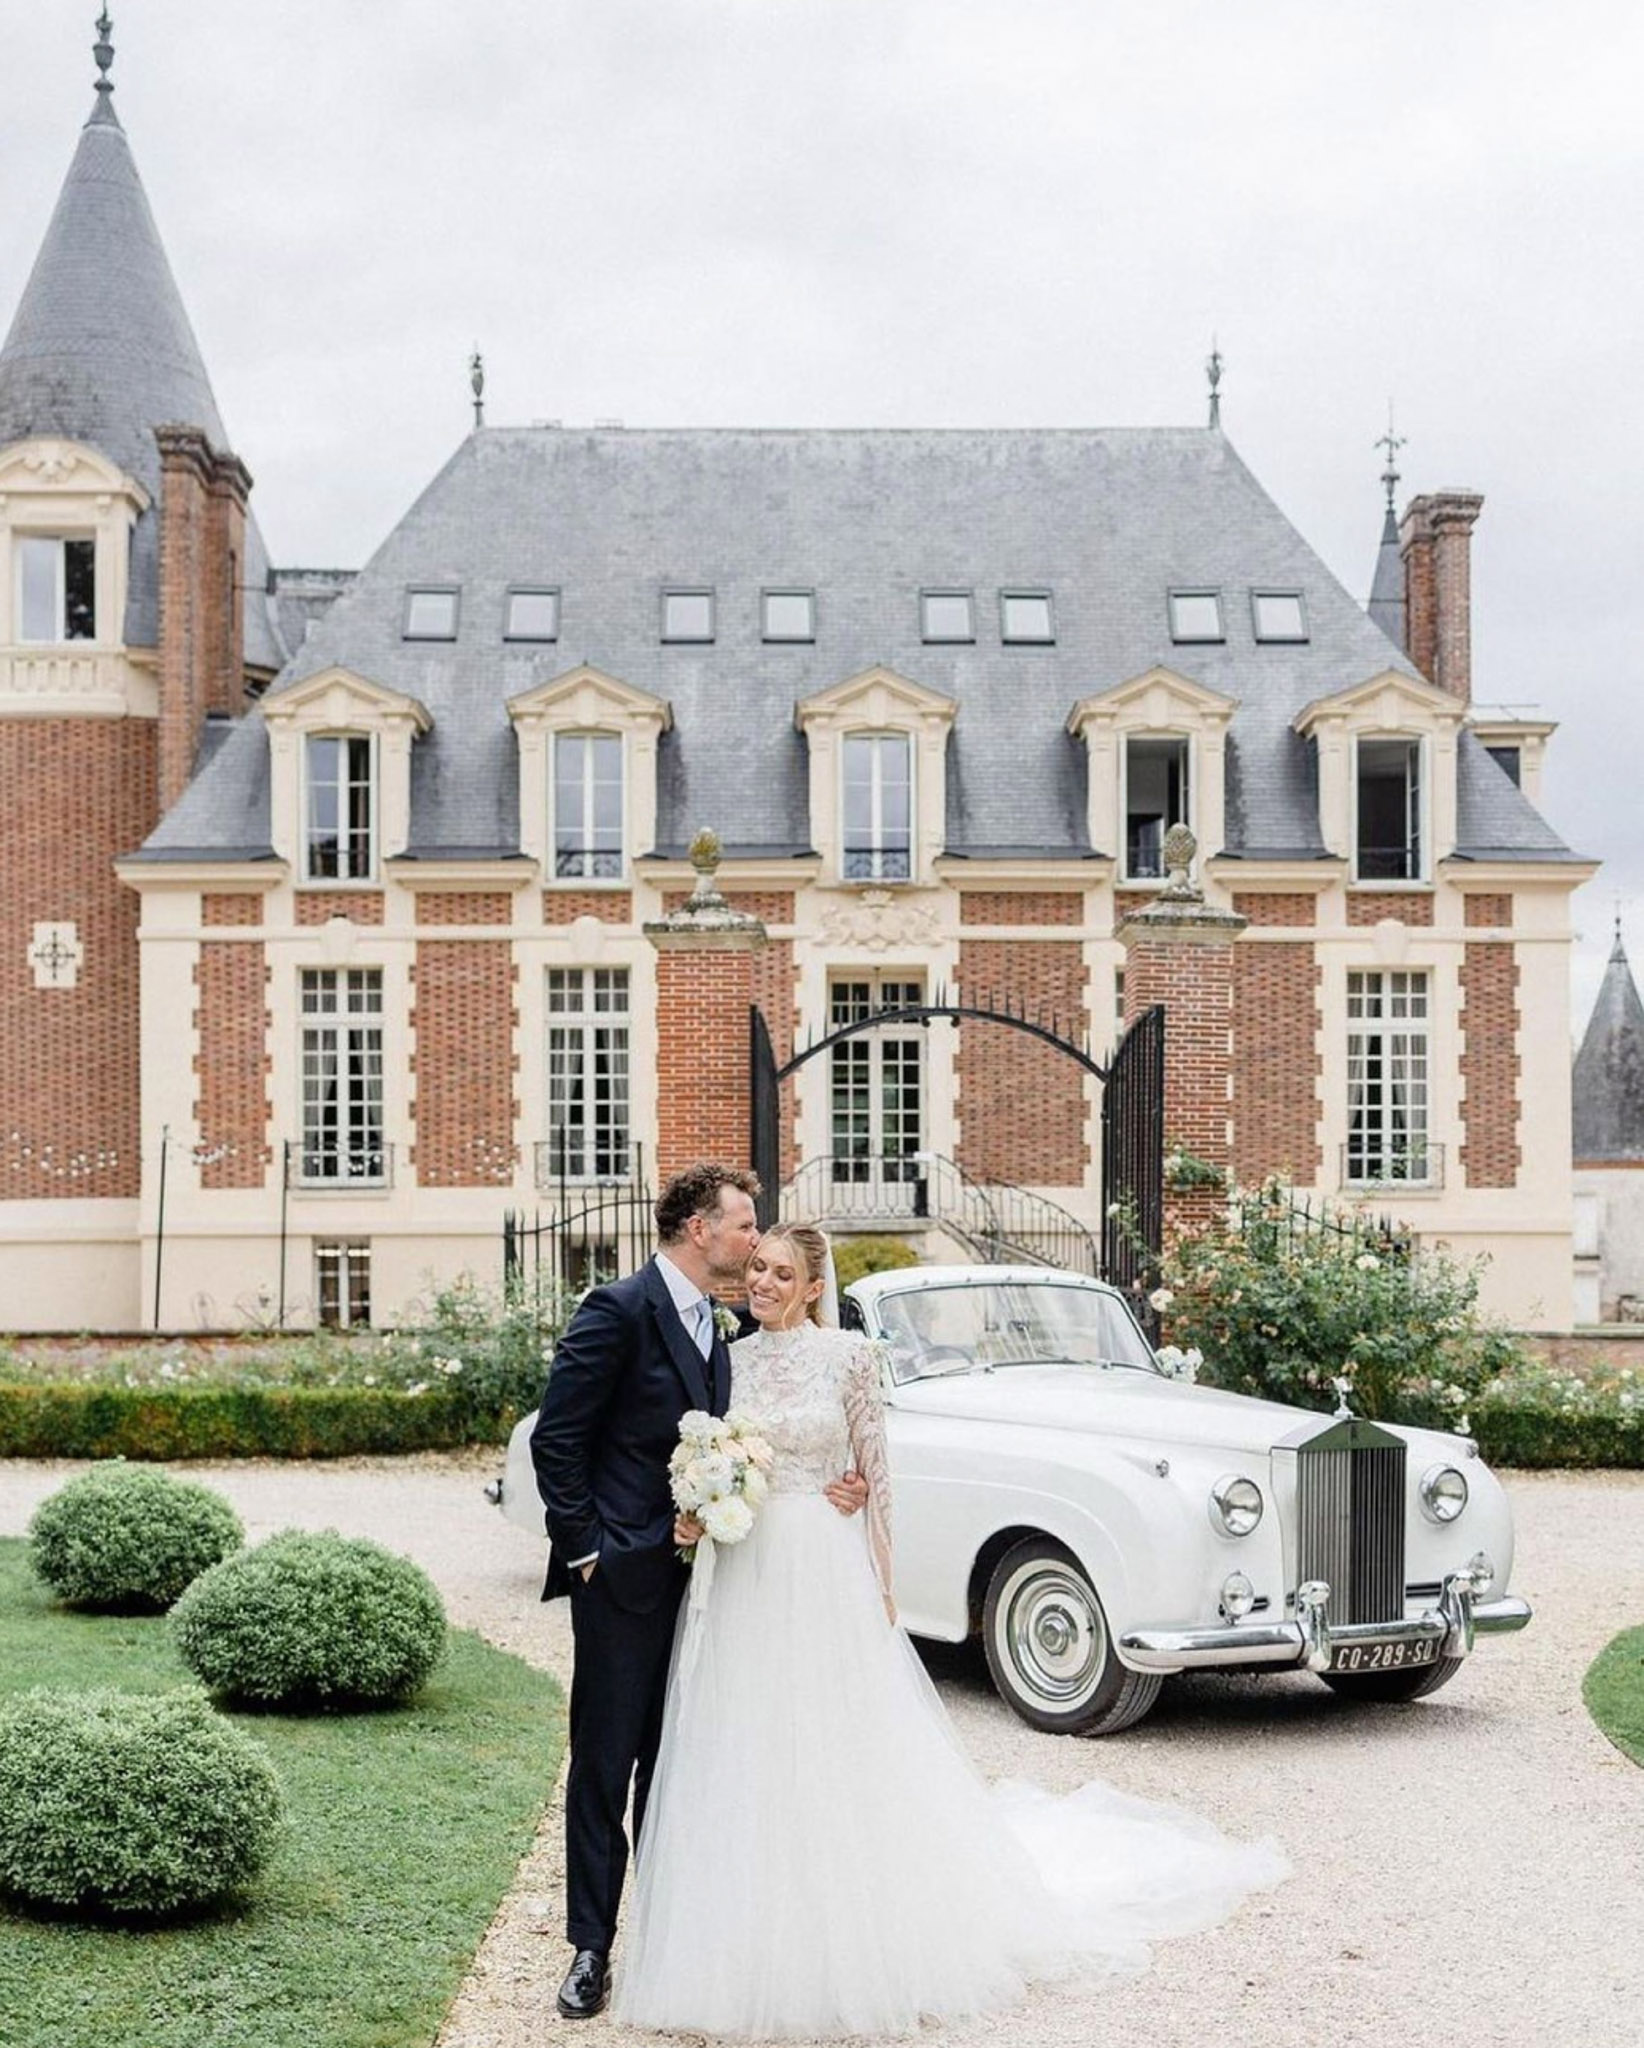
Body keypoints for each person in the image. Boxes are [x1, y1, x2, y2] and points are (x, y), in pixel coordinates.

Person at [614, 1222, 1289, 2039]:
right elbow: (712, 1448)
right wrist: (701, 1500)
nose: (761, 1282)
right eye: (755, 1267)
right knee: (748, 1737)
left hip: (823, 1569)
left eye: (780, 1273)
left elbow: (880, 1471)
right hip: (749, 1564)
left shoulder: (849, 1359)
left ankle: (857, 1930)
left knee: (834, 1741)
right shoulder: (730, 1359)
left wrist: (881, 1581)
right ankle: (743, 1927)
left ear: (814, 1287)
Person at [529, 1166, 868, 2021]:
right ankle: (590, 1950)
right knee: (607, 1767)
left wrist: (842, 1482)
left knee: (686, 1766)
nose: (756, 1241)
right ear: (696, 1228)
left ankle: (675, 1936)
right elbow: (557, 1443)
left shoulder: (721, 1330)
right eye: (744, 1225)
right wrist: (589, 1556)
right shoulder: (617, 1308)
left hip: (718, 1586)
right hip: (624, 1584)